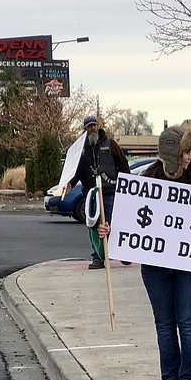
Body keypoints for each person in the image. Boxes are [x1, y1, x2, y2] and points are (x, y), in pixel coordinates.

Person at [101, 124, 191, 380]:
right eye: (186, 152)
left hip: (187, 264)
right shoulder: (144, 183)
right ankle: (170, 377)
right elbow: (131, 224)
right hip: (155, 265)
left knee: (186, 319)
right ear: (173, 152)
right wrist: (112, 231)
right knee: (163, 321)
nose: (190, 158)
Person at [68, 114, 129, 269]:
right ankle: (98, 258)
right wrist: (69, 184)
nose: (92, 128)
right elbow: (76, 171)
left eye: (94, 125)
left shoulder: (110, 144)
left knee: (113, 224)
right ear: (85, 129)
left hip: (110, 191)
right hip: (91, 194)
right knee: (94, 225)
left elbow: (123, 164)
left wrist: (126, 186)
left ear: (98, 126)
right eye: (89, 126)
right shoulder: (81, 150)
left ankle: (120, 253)